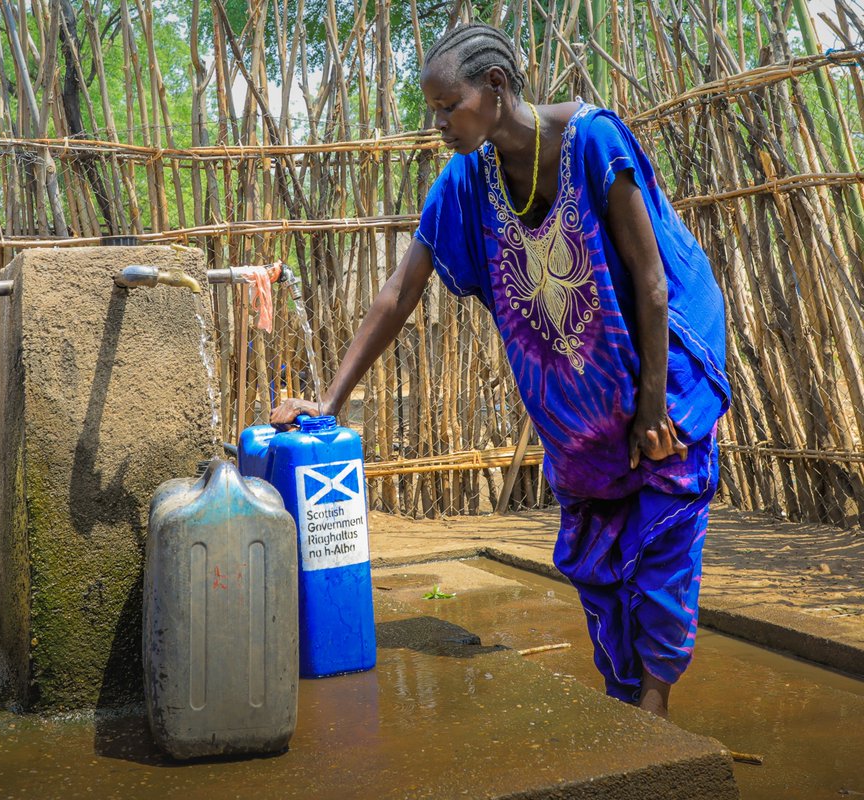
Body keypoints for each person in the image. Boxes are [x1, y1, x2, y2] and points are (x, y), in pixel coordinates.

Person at [270, 23, 730, 719]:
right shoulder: (466, 184)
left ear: (495, 87)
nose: (439, 125)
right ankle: (625, 692)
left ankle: (654, 707)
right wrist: (329, 402)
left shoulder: (595, 141)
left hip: (668, 368)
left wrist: (651, 408)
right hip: (583, 401)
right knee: (596, 549)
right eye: (433, 112)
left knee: (663, 533)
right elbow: (399, 292)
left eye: (447, 106)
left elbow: (652, 282)